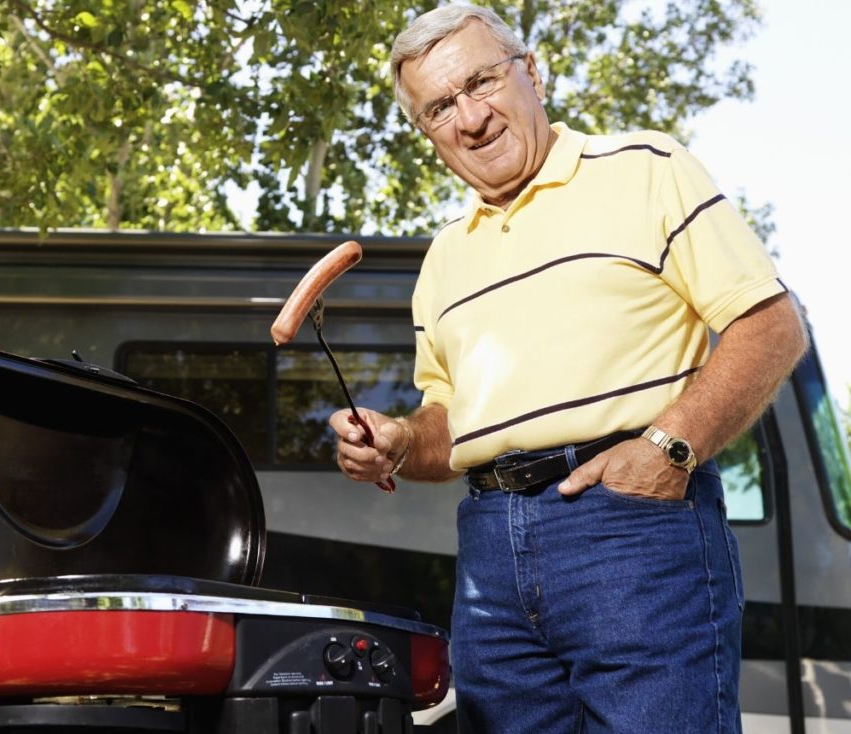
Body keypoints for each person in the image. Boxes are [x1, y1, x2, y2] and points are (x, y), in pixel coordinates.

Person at [328, 4, 807, 733]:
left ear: (532, 75)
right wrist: (397, 439)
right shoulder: (444, 259)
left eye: (482, 82)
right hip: (491, 549)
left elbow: (770, 325)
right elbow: (449, 426)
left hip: (633, 531)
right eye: (440, 107)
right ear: (428, 134)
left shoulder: (646, 169)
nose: (472, 117)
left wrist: (669, 449)